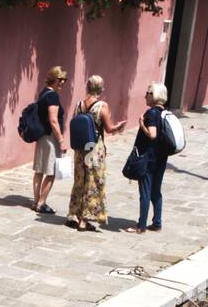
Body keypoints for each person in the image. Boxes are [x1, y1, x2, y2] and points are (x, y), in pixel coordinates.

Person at [67, 75, 125, 233]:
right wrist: (118, 127)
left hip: (80, 149)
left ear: (87, 87)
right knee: (93, 182)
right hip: (93, 148)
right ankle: (84, 221)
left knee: (80, 180)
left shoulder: (79, 104)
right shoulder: (102, 106)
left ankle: (77, 215)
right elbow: (108, 128)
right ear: (101, 88)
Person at [125, 82, 170, 234]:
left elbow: (152, 134)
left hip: (148, 159)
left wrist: (141, 124)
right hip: (161, 159)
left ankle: (141, 226)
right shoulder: (165, 112)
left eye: (148, 93)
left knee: (145, 192)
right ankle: (157, 223)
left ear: (154, 96)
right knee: (156, 192)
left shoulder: (151, 113)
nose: (145, 95)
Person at [32, 66, 68, 216]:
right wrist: (61, 140)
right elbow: (53, 120)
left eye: (64, 80)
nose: (63, 83)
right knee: (51, 172)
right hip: (50, 138)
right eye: (61, 80)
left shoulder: (44, 93)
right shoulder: (52, 96)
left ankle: (35, 201)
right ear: (55, 79)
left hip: (42, 137)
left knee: (39, 170)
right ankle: (41, 203)